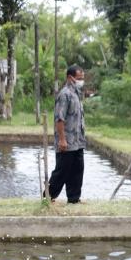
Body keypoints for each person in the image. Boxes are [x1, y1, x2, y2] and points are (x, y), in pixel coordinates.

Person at [47, 65, 86, 204]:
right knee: (62, 170)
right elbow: (59, 119)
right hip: (67, 141)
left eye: (82, 78)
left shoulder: (77, 94)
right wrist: (62, 140)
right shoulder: (65, 95)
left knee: (77, 170)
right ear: (70, 78)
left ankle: (74, 198)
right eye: (79, 78)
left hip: (78, 141)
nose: (82, 81)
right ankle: (48, 197)